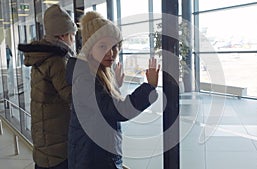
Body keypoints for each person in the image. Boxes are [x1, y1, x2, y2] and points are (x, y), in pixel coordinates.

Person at [66, 11, 160, 169]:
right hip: (93, 158)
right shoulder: (84, 78)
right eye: (103, 46)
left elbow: (99, 104)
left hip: (95, 153)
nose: (111, 53)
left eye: (115, 47)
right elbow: (115, 110)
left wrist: (114, 85)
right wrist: (149, 88)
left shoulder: (94, 71)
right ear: (89, 47)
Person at [17, 4, 77, 169]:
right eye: (73, 35)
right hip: (57, 145)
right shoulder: (57, 61)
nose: (74, 40)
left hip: (44, 139)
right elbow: (73, 96)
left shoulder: (41, 56)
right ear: (64, 35)